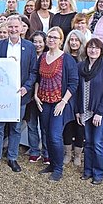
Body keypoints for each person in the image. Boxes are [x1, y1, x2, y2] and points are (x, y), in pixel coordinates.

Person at [0, 15, 37, 174]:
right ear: (7, 28)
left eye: (16, 27)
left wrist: (26, 88)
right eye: (11, 27)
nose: (13, 30)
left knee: (15, 127)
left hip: (20, 95)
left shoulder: (29, 47)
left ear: (22, 28)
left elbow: (33, 71)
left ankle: (12, 157)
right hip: (2, 95)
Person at [34, 26, 78, 182]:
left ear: (60, 40)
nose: (51, 40)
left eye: (55, 37)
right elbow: (37, 78)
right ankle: (52, 164)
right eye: (49, 37)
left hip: (59, 103)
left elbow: (73, 83)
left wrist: (63, 102)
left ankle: (58, 169)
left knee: (54, 136)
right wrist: (35, 95)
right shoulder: (43, 57)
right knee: (46, 133)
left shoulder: (67, 59)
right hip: (43, 102)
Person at [76, 38, 103, 185]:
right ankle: (87, 171)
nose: (93, 50)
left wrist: (100, 112)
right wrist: (78, 111)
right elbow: (78, 90)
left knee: (98, 142)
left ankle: (98, 173)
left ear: (101, 50)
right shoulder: (81, 66)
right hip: (84, 110)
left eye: (96, 48)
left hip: (100, 112)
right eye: (91, 47)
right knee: (88, 142)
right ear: (86, 49)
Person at [62, 29, 87, 165]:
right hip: (67, 95)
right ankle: (67, 152)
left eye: (76, 40)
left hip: (82, 96)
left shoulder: (86, 58)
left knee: (80, 126)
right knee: (68, 125)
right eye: (71, 40)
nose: (73, 42)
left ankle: (77, 155)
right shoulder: (64, 56)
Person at [25, 31, 48, 163]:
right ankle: (34, 151)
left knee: (45, 126)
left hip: (44, 96)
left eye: (40, 41)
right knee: (31, 124)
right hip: (29, 96)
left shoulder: (47, 56)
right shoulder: (28, 55)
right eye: (35, 41)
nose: (37, 44)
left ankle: (46, 152)